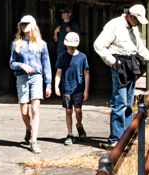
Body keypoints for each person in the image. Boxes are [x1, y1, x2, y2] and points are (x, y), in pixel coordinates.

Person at [93, 4, 149, 148]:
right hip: (119, 63)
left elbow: (141, 50)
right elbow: (98, 45)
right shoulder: (114, 25)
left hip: (131, 63)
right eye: (138, 20)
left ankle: (126, 136)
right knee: (120, 102)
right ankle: (115, 139)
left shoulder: (133, 27)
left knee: (128, 102)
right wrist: (112, 62)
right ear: (131, 16)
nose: (139, 23)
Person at [10, 15, 52, 154]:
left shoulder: (41, 44)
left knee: (35, 108)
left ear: (33, 25)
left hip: (36, 77)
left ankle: (34, 141)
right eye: (22, 24)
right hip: (22, 77)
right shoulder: (17, 43)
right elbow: (12, 63)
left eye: (26, 24)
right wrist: (22, 65)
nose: (23, 26)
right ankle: (29, 129)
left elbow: (46, 64)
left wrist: (48, 84)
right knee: (24, 111)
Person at [54, 32, 90, 145]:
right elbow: (58, 72)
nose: (71, 47)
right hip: (66, 87)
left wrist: (86, 90)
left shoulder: (82, 57)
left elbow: (86, 73)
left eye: (73, 45)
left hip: (78, 87)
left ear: (77, 44)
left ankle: (79, 125)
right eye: (69, 45)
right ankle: (70, 134)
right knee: (68, 110)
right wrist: (56, 86)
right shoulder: (62, 56)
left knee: (77, 110)